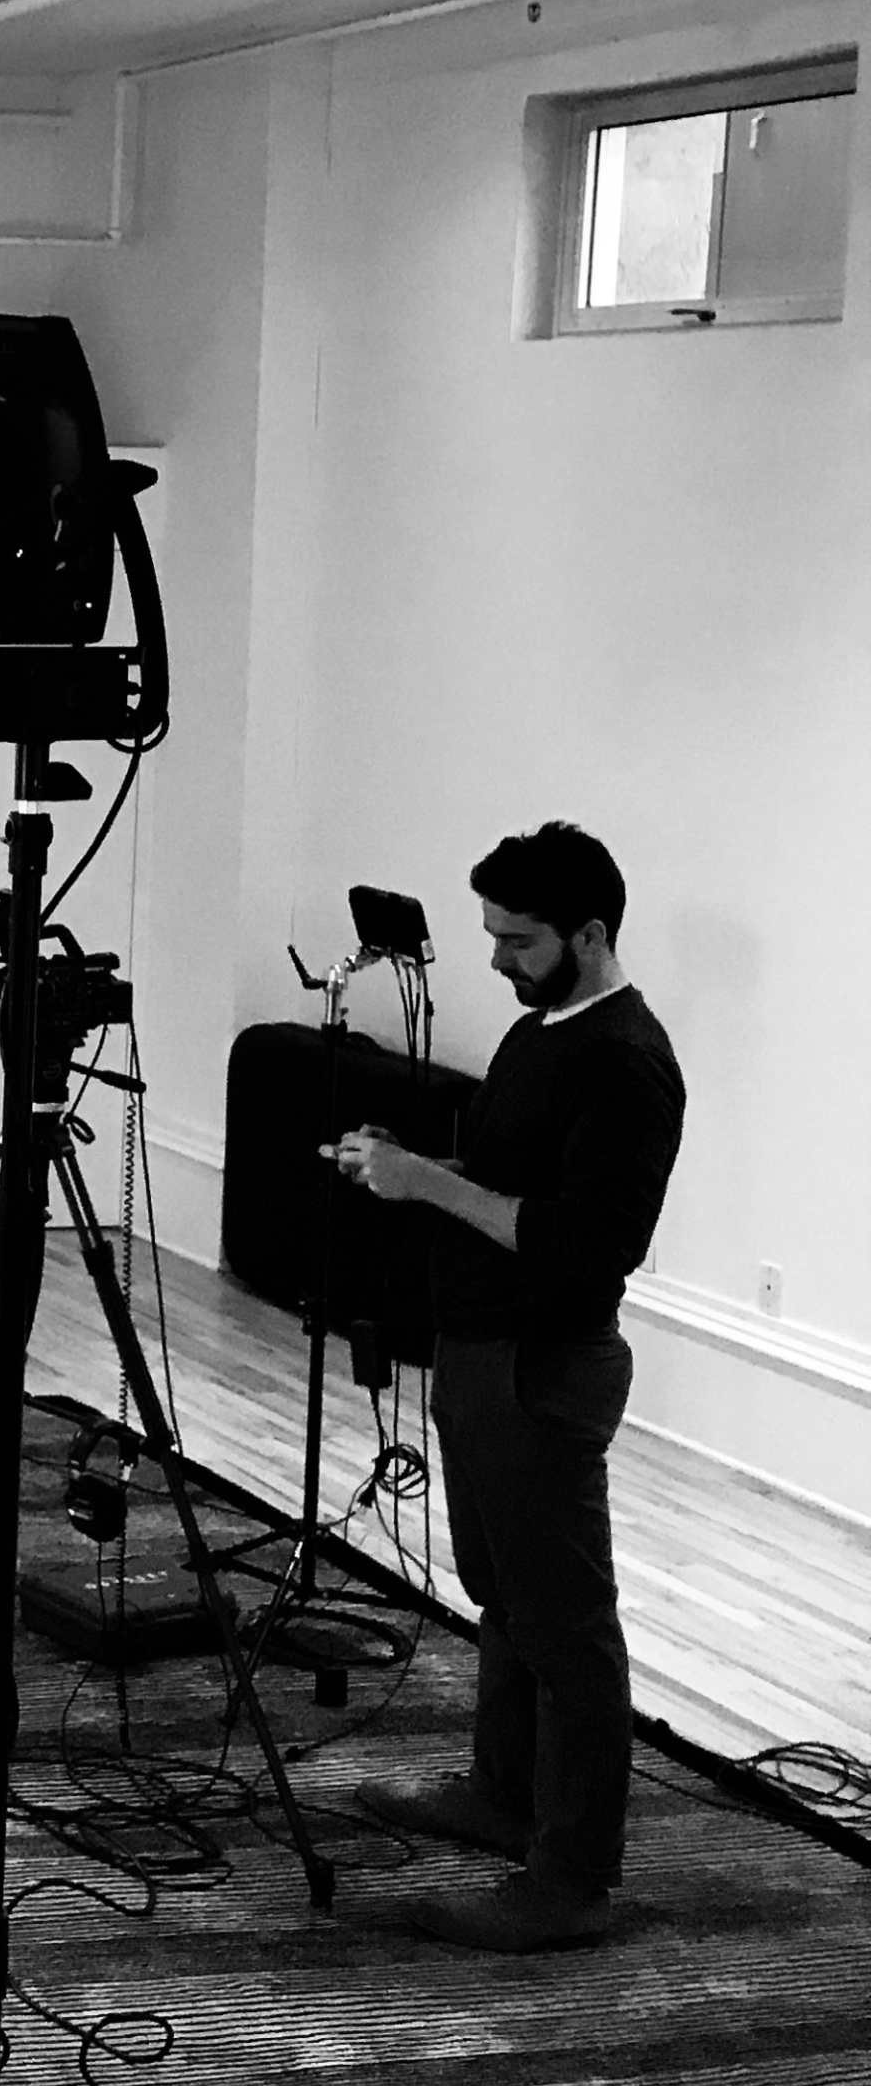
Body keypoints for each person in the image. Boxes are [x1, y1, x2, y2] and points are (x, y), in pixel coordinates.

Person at [328, 821, 682, 1954]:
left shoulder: (626, 1062)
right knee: (502, 1587)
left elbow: (585, 1247)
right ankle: (502, 1792)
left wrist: (426, 1181)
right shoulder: (545, 1029)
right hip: (482, 1349)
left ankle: (571, 1878)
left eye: (518, 941)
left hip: (546, 1363)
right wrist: (413, 1167)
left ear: (589, 933)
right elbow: (514, 1177)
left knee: (567, 1625)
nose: (495, 961)